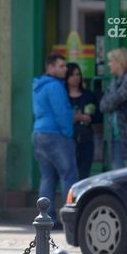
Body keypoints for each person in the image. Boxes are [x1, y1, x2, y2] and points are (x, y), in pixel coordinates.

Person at [32, 54, 78, 228]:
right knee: (69, 175)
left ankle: (46, 217)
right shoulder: (55, 86)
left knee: (47, 177)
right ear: (50, 67)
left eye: (65, 66)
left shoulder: (38, 85)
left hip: (39, 133)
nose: (65, 69)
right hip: (55, 134)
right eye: (61, 66)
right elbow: (61, 113)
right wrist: (68, 133)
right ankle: (70, 219)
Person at [65, 62, 102, 179]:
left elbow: (99, 116)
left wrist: (89, 118)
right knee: (68, 173)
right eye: (72, 75)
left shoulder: (88, 95)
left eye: (78, 74)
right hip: (67, 138)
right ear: (66, 77)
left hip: (86, 138)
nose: (76, 78)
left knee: (84, 173)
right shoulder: (62, 96)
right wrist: (73, 118)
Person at [100, 47, 127, 168]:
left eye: (111, 61)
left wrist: (112, 99)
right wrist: (114, 99)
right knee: (118, 175)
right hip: (115, 138)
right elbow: (103, 106)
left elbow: (121, 95)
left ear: (119, 62)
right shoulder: (114, 82)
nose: (108, 64)